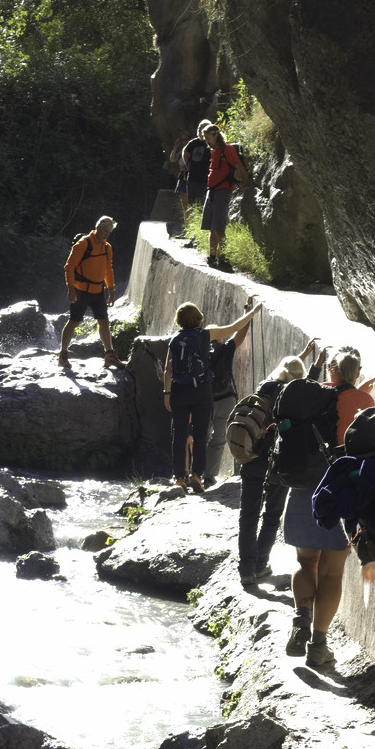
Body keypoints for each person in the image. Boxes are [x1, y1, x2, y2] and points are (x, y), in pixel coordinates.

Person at [277, 342, 341, 668]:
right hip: (335, 493)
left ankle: (301, 618)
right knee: (331, 573)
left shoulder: (303, 400)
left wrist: (316, 363)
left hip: (300, 488)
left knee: (306, 563)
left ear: (331, 371)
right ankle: (319, 644)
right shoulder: (344, 402)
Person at [236, 351, 303, 587]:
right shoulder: (297, 395)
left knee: (248, 514)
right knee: (272, 515)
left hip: (253, 456)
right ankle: (260, 564)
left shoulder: (264, 387)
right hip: (278, 463)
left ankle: (246, 569)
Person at [201, 296, 261, 481]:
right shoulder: (226, 348)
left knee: (200, 438)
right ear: (219, 337)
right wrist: (247, 313)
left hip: (205, 400)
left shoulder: (199, 352)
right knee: (219, 439)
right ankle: (210, 476)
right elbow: (240, 334)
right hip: (227, 399)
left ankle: (196, 473)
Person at [57, 216, 121, 373]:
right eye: (104, 230)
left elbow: (108, 270)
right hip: (80, 291)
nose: (106, 234)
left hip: (98, 291)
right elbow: (69, 266)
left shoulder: (107, 248)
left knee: (104, 321)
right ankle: (63, 354)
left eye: (109, 232)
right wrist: (70, 289)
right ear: (97, 227)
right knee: (74, 321)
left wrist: (112, 291)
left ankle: (109, 354)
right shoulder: (83, 244)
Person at [160, 303, 212, 491]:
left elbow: (168, 369)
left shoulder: (174, 339)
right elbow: (233, 329)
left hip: (179, 391)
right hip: (201, 390)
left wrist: (167, 394)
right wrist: (252, 313)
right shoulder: (204, 335)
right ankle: (197, 475)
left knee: (179, 435)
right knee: (200, 434)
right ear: (198, 317)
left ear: (178, 320)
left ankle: (179, 477)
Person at [196, 121, 246, 270]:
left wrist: (246, 183)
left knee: (219, 227)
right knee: (212, 226)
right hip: (211, 191)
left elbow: (239, 166)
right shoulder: (214, 151)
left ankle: (224, 258)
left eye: (208, 138)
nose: (207, 141)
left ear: (215, 135)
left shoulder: (228, 149)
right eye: (205, 139)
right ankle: (212, 257)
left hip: (223, 191)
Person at [328, 349, 375, 443]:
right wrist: (359, 394)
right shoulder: (366, 401)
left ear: (330, 369)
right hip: (345, 455)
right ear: (358, 372)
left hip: (317, 454)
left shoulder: (319, 391)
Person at [174, 122, 211, 243]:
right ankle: (193, 234)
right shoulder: (194, 142)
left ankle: (200, 236)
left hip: (205, 180)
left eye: (203, 128)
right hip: (192, 178)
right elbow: (185, 152)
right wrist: (186, 163)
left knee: (201, 206)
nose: (201, 130)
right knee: (191, 206)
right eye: (199, 128)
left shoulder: (210, 143)